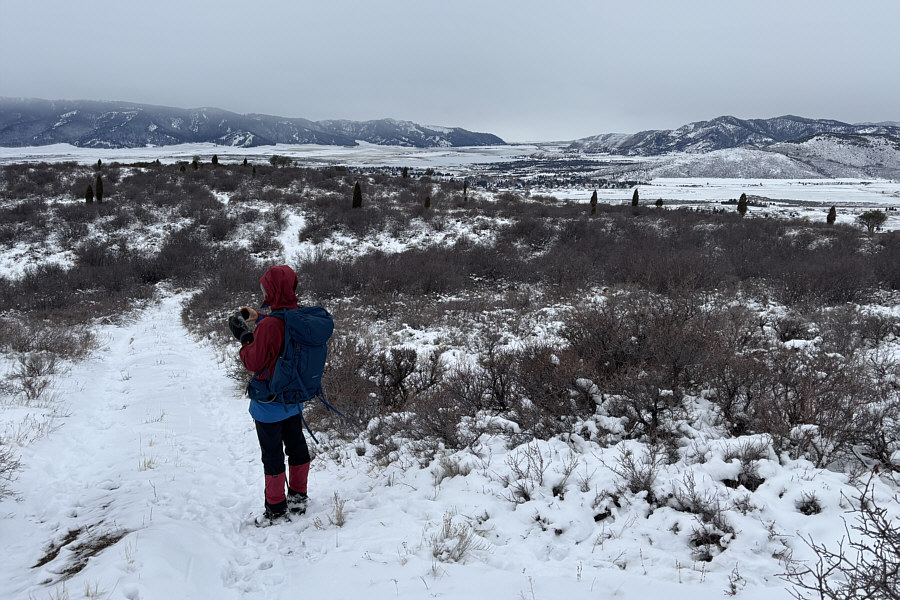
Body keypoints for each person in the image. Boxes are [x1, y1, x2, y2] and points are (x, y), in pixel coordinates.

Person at [228, 265, 311, 523]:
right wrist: (260, 318)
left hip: (268, 403)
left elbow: (253, 362)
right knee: (296, 446)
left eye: (265, 287)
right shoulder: (302, 318)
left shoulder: (269, 327)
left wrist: (244, 337)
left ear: (272, 289)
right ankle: (299, 498)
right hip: (294, 399)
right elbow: (281, 328)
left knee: (272, 454)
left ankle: (275, 509)